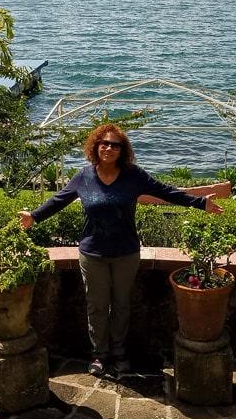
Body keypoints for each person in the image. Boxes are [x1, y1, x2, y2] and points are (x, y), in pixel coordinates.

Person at [19, 123, 224, 376]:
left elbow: (165, 192)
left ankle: (119, 352)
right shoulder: (83, 176)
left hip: (126, 253)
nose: (108, 148)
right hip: (92, 254)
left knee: (121, 305)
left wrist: (200, 203)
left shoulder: (133, 176)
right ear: (95, 146)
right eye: (104, 143)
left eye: (115, 144)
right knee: (96, 306)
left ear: (122, 150)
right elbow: (58, 200)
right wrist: (34, 216)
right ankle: (98, 354)